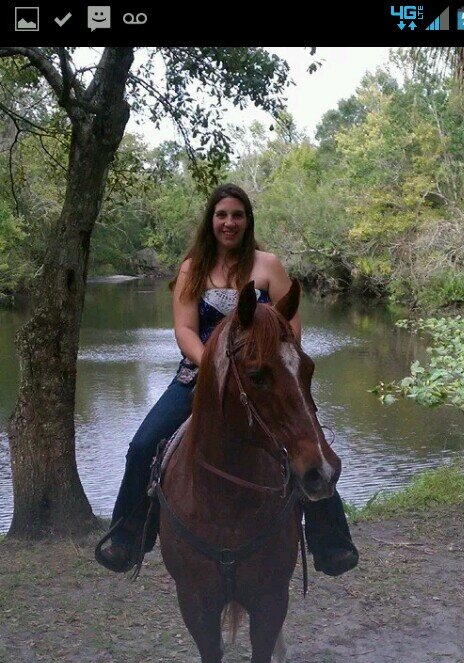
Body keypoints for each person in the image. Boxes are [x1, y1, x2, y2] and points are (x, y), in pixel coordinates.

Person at [96, 184, 359, 577]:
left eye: (237, 215)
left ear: (247, 220)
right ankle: (129, 537)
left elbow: (290, 324)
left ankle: (331, 542)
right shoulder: (193, 269)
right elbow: (185, 331)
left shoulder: (268, 265)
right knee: (143, 445)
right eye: (222, 215)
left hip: (266, 381)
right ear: (211, 221)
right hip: (199, 378)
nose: (229, 223)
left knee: (309, 444)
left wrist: (273, 368)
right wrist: (216, 368)